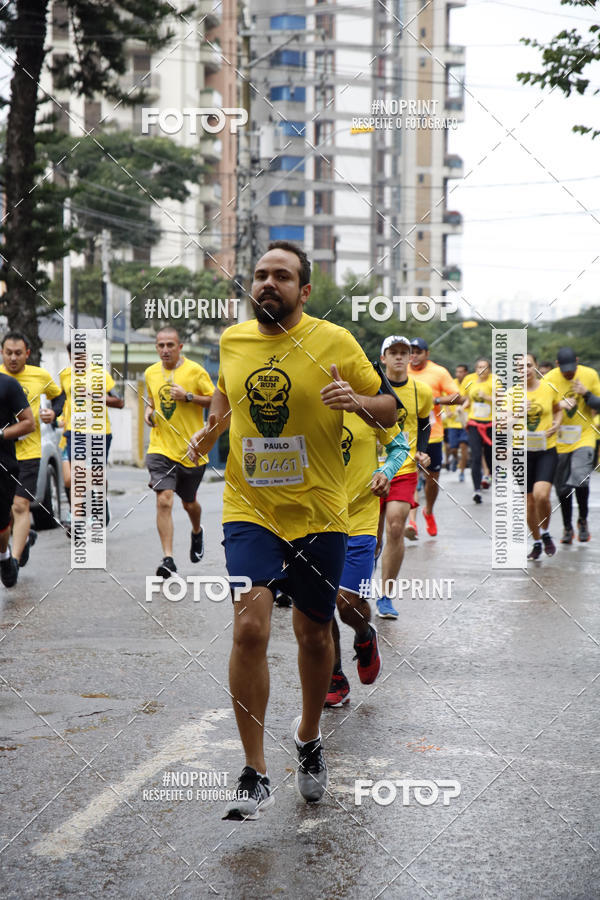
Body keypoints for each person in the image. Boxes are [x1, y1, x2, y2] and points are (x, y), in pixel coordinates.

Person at [187, 241, 396, 820]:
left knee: (313, 633)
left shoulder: (335, 342)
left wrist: (356, 400)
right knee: (249, 629)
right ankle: (254, 769)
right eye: (260, 274)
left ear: (304, 290)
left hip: (321, 511)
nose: (267, 283)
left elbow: (390, 409)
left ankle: (307, 735)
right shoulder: (233, 341)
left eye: (281, 276)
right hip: (249, 507)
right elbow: (226, 397)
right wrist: (210, 431)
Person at [326, 414, 409, 707]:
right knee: (318, 606)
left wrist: (385, 471)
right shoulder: (304, 400)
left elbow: (399, 446)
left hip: (359, 520)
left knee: (346, 602)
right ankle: (334, 676)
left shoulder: (368, 403)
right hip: (313, 519)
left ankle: (364, 635)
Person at [144, 326, 215, 578]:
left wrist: (188, 397)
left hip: (191, 450)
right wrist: (148, 413)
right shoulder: (151, 373)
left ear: (180, 347)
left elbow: (215, 400)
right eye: (161, 345)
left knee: (189, 503)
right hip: (160, 448)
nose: (165, 350)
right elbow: (151, 402)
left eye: (170, 345)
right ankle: (168, 559)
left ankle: (197, 531)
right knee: (164, 499)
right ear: (156, 347)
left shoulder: (195, 371)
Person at [377, 336, 432, 618]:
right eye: (393, 352)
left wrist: (421, 451)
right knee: (371, 538)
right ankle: (358, 588)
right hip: (370, 470)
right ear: (383, 358)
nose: (399, 357)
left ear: (411, 358)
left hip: (403, 468)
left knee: (396, 527)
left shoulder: (421, 391)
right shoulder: (371, 385)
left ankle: (386, 596)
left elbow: (424, 423)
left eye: (404, 353)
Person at [0, 332, 62, 565]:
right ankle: (24, 538)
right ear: (1, 352)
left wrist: (54, 412)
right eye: (8, 353)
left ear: (27, 353)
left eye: (18, 353)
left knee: (20, 504)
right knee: (6, 508)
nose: (13, 358)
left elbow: (59, 396)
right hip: (5, 454)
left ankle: (13, 562)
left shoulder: (40, 375)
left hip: (30, 451)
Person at [58, 343, 124, 533]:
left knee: (96, 475)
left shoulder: (100, 374)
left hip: (99, 432)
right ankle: (78, 519)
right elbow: (63, 402)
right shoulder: (65, 375)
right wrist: (59, 417)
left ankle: (101, 502)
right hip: (75, 432)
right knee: (77, 473)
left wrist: (93, 396)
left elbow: (119, 401)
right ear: (69, 356)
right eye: (74, 355)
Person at [544, 347, 600, 543]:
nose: (569, 373)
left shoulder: (590, 375)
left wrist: (586, 394)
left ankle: (583, 521)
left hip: (584, 436)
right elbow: (543, 410)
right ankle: (567, 527)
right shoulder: (549, 380)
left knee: (581, 479)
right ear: (557, 364)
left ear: (577, 361)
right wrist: (559, 405)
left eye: (572, 368)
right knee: (562, 488)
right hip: (559, 440)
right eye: (565, 370)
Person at [406, 338, 460, 537]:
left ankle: (428, 511)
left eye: (418, 352)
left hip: (433, 434)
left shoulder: (439, 372)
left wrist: (434, 400)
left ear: (427, 354)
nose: (414, 356)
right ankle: (412, 522)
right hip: (409, 434)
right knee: (410, 475)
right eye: (411, 351)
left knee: (432, 479)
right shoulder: (402, 370)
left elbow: (457, 397)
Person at [512, 354, 563, 559]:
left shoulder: (548, 388)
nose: (524, 370)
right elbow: (500, 423)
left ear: (535, 366)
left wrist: (556, 424)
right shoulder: (511, 394)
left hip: (546, 450)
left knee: (541, 495)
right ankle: (536, 541)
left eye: (528, 365)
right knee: (530, 502)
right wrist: (517, 414)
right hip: (521, 452)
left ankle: (545, 532)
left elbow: (558, 410)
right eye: (520, 367)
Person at [0, 373, 35, 587]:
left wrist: (1, 434)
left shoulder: (7, 385)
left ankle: (4, 557)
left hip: (4, 464)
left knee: (4, 521)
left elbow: (29, 423)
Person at [461, 358, 497, 504]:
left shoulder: (495, 381)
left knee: (489, 454)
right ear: (475, 369)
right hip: (474, 423)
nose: (481, 370)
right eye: (479, 367)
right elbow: (469, 399)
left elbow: (502, 401)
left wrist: (486, 397)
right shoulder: (470, 381)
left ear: (489, 369)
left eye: (484, 367)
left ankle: (489, 475)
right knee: (475, 456)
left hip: (490, 423)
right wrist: (462, 407)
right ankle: (476, 490)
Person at [446, 364, 471, 482]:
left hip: (465, 421)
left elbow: (471, 398)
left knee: (463, 446)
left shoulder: (470, 383)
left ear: (466, 373)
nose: (458, 374)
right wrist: (447, 411)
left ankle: (461, 472)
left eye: (461, 372)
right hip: (453, 422)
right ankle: (455, 458)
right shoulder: (452, 383)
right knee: (453, 448)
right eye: (457, 372)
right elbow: (445, 397)